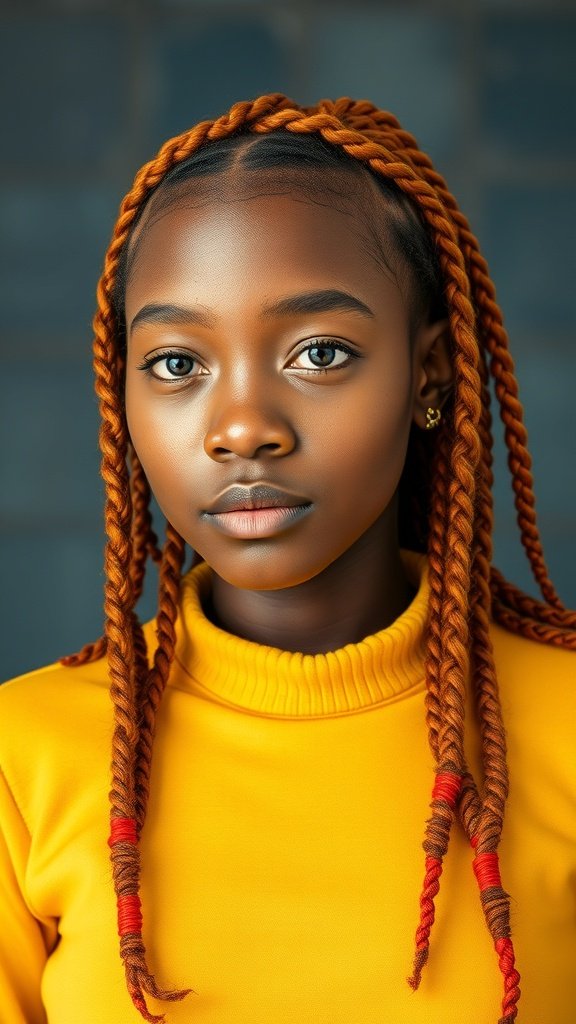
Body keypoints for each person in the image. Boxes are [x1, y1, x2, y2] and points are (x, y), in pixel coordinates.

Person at [0, 94, 574, 1024]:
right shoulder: (22, 759)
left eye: (318, 351)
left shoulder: (566, 724)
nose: (241, 429)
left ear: (429, 371)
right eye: (178, 364)